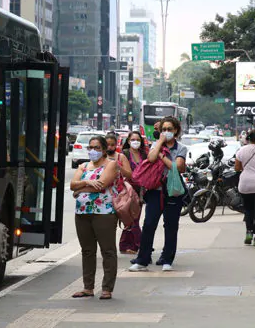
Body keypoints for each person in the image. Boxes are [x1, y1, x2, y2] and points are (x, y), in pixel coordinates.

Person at [129, 116, 187, 272]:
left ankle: (167, 259)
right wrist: (160, 143)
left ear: (176, 131)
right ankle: (143, 259)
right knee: (148, 224)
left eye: (169, 129)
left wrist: (163, 156)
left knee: (171, 226)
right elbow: (151, 158)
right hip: (155, 191)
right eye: (163, 129)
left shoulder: (181, 148)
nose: (166, 132)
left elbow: (178, 167)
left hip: (173, 191)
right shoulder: (156, 145)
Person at [70, 136, 118, 300]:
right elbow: (72, 184)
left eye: (97, 148)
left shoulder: (111, 164)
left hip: (103, 212)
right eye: (90, 147)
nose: (93, 151)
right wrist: (90, 183)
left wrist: (80, 189)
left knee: (107, 250)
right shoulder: (83, 165)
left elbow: (102, 184)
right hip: (82, 212)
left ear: (104, 150)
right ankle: (88, 287)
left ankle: (107, 288)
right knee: (87, 251)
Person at [105, 134, 138, 254]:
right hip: (103, 195)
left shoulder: (121, 157)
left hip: (119, 195)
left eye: (112, 144)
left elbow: (130, 175)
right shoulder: (100, 158)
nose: (110, 147)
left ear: (116, 145)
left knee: (120, 220)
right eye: (107, 144)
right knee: (106, 224)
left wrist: (119, 167)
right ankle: (108, 247)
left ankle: (120, 246)